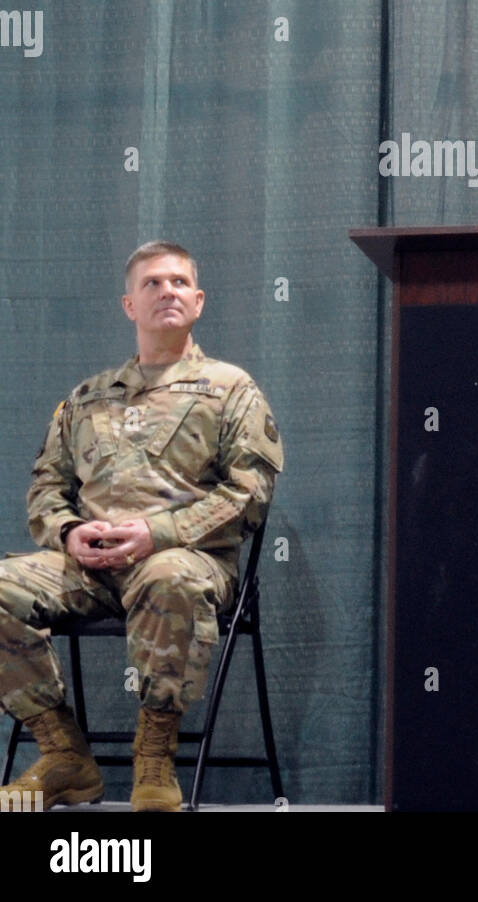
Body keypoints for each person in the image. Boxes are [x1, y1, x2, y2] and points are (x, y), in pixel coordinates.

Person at [0, 241, 283, 812]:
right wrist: (67, 532)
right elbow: (45, 489)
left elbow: (249, 494)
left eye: (179, 282)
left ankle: (155, 755)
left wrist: (161, 534)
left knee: (170, 576)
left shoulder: (231, 389)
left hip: (186, 561)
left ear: (198, 301)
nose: (167, 291)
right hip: (89, 565)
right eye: (152, 283)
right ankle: (62, 754)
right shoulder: (86, 398)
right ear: (129, 304)